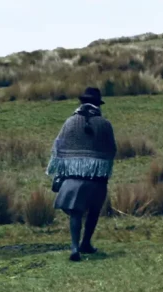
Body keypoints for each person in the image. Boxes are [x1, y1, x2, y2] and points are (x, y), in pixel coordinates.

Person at [46, 87, 117, 261]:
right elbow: (111, 150)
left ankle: (75, 247)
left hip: (73, 178)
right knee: (93, 212)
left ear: (81, 103)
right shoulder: (105, 124)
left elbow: (58, 147)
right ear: (97, 104)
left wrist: (65, 168)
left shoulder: (69, 122)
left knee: (76, 213)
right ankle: (86, 242)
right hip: (97, 178)